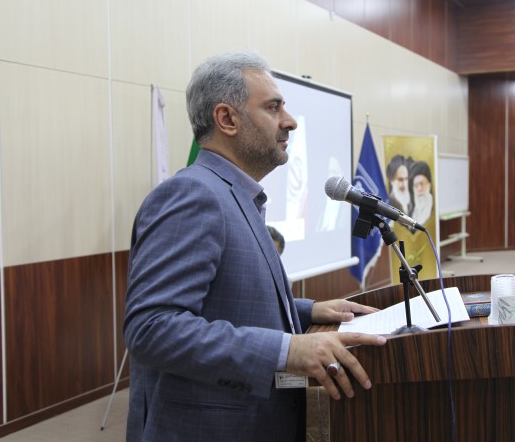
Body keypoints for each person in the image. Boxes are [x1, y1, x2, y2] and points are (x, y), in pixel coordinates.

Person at [123, 51, 387, 442]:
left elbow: (227, 299)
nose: (290, 121)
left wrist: (307, 310)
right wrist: (287, 351)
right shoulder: (193, 195)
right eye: (273, 107)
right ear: (227, 119)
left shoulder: (235, 195)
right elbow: (152, 328)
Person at [408, 160, 434, 226]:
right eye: (416, 185)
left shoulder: (433, 211)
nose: (419, 189)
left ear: (429, 185)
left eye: (422, 184)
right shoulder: (412, 212)